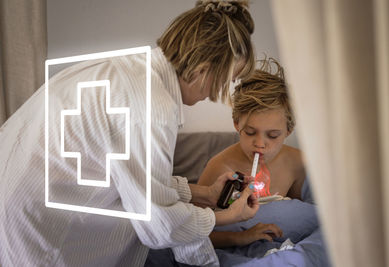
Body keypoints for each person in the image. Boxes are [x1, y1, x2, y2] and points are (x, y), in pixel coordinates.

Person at [0, 1, 258, 266]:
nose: (216, 94)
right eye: (227, 80)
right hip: (35, 223)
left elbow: (130, 179)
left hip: (16, 192)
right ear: (203, 69)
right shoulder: (152, 107)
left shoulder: (128, 68)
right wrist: (227, 217)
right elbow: (158, 225)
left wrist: (205, 194)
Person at [197, 58, 306, 249]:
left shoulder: (297, 163)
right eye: (250, 132)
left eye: (272, 135)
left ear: (288, 130)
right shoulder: (220, 168)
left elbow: (298, 218)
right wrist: (241, 237)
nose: (260, 144)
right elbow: (193, 231)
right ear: (237, 124)